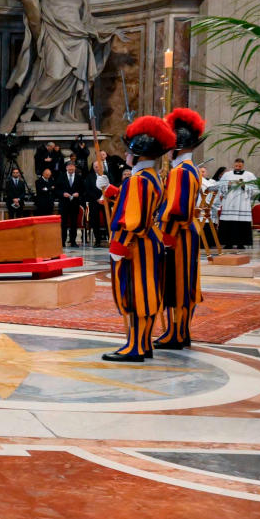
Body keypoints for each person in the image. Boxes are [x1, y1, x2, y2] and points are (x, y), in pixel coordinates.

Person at [105, 115, 175, 362]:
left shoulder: (137, 180)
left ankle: (135, 346)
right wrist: (114, 191)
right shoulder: (153, 177)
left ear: (138, 155)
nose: (126, 155)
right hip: (151, 240)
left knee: (136, 294)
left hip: (136, 244)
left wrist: (118, 245)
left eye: (129, 152)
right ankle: (143, 343)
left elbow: (132, 219)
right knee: (148, 292)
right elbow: (139, 204)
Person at [157, 108, 207, 350]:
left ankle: (176, 333)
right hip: (186, 232)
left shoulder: (180, 172)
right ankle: (180, 331)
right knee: (185, 282)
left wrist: (166, 234)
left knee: (177, 284)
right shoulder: (191, 169)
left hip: (177, 234)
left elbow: (177, 209)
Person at [218, 158, 258, 249]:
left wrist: (244, 186)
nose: (238, 167)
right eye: (236, 165)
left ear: (243, 165)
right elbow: (220, 186)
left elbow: (256, 189)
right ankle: (228, 243)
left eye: (240, 166)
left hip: (242, 203)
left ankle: (241, 243)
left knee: (241, 223)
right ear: (234, 165)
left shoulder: (249, 175)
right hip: (229, 202)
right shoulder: (227, 175)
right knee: (228, 222)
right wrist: (227, 185)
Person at [57, 161, 84, 247]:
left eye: (72, 166)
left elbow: (83, 190)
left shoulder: (79, 177)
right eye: (69, 166)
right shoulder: (61, 177)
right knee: (63, 223)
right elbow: (57, 190)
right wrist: (63, 194)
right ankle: (62, 241)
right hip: (64, 204)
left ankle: (73, 241)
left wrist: (78, 193)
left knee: (74, 223)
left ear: (75, 168)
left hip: (75, 204)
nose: (71, 168)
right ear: (66, 168)